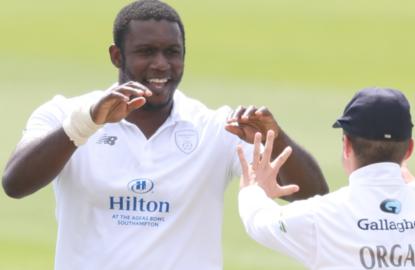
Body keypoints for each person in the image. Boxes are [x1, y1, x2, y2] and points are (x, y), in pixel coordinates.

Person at [1, 1, 328, 269]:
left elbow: (314, 197)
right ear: (117, 56)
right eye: (146, 52)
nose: (162, 65)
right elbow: (15, 183)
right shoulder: (66, 115)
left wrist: (278, 139)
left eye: (172, 52)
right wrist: (84, 125)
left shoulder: (215, 128)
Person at [237, 88, 415, 269]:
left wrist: (253, 189)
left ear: (346, 145)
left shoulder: (319, 217)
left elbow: (258, 221)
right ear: (409, 150)